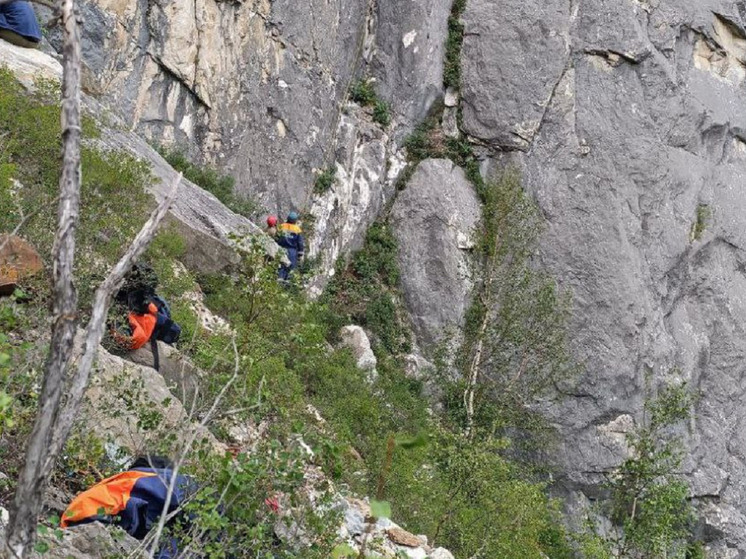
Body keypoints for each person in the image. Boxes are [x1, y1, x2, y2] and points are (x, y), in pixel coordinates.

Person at [61, 456, 196, 559]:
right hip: (94, 520)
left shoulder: (121, 482)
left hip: (73, 522)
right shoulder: (165, 479)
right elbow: (193, 493)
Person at [275, 211, 305, 282]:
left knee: (281, 265)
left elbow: (277, 237)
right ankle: (288, 284)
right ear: (295, 221)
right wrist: (300, 254)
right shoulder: (297, 229)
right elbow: (300, 242)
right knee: (291, 267)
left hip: (281, 249)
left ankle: (279, 281)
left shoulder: (281, 226)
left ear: (288, 218)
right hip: (292, 251)